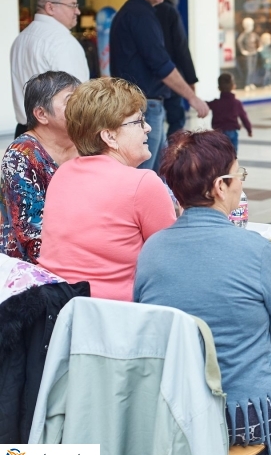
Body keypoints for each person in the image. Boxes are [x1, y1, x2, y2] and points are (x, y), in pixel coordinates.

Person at [134, 130, 271, 455]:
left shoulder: (152, 249)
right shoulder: (255, 250)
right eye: (238, 175)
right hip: (246, 412)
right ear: (219, 187)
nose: (241, 183)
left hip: (175, 409)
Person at [37, 78, 176, 302]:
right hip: (114, 318)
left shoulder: (63, 174)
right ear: (109, 136)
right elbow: (171, 259)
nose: (148, 127)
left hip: (56, 313)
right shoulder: (142, 183)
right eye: (138, 121)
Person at [110, 0, 209, 171]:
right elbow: (160, 63)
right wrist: (192, 97)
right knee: (145, 175)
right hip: (143, 106)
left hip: (146, 104)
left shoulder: (141, 12)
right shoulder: (139, 15)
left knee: (155, 174)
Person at [0, 71, 81, 264]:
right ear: (42, 114)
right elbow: (31, 232)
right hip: (33, 265)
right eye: (71, 100)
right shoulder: (21, 154)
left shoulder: (86, 144)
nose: (82, 107)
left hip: (80, 251)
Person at [10, 0, 89, 139]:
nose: (78, 11)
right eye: (72, 5)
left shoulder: (21, 38)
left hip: (24, 133)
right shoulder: (62, 42)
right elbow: (78, 98)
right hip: (55, 138)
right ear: (50, 7)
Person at [154, 0, 199, 137]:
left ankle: (160, 153)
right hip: (172, 76)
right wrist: (190, 79)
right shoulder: (170, 12)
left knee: (152, 122)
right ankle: (172, 154)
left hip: (149, 80)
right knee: (176, 120)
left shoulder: (140, 13)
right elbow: (181, 48)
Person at [208, 73, 252, 153]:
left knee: (221, 154)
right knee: (232, 154)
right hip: (232, 132)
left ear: (218, 88)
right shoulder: (236, 103)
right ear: (233, 86)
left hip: (218, 133)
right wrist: (249, 129)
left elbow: (205, 105)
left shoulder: (215, 103)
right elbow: (243, 117)